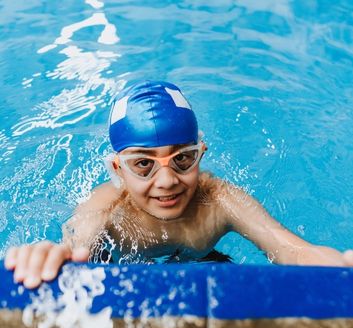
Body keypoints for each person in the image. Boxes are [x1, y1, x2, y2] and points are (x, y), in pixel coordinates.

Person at [5, 80, 353, 289]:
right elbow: (75, 245)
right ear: (117, 168)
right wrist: (56, 256)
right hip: (119, 264)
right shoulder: (107, 207)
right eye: (143, 164)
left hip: (204, 263)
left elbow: (290, 249)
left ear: (201, 153)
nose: (168, 181)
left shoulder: (219, 200)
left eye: (183, 159)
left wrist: (337, 265)